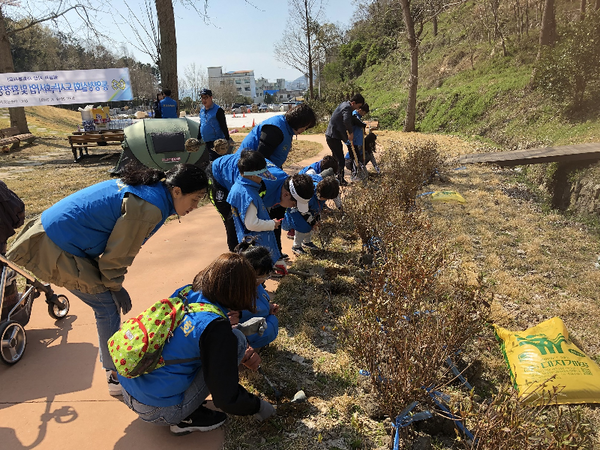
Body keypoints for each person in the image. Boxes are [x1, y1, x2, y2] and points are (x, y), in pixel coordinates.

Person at [7, 164, 209, 395]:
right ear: (176, 191)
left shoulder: (152, 189)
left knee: (107, 299)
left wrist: (113, 283)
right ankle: (115, 375)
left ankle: (114, 367)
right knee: (107, 306)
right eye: (195, 199)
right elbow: (116, 257)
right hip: (55, 246)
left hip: (58, 234)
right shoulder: (149, 208)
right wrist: (115, 286)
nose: (195, 206)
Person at [119, 253, 276, 435]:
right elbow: (225, 398)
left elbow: (187, 335)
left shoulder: (187, 292)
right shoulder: (216, 328)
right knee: (237, 341)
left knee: (230, 339)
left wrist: (238, 328)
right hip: (157, 410)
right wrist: (258, 406)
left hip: (129, 385)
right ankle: (183, 419)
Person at [210, 152, 314, 260]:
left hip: (244, 177)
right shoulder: (258, 187)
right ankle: (237, 261)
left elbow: (275, 223)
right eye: (294, 204)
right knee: (233, 220)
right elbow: (251, 224)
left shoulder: (287, 187)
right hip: (220, 176)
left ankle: (272, 256)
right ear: (286, 194)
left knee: (270, 221)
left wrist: (275, 257)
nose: (293, 207)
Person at [228, 151, 282, 265]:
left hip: (246, 242)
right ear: (253, 175)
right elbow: (251, 224)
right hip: (257, 246)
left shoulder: (237, 187)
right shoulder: (248, 195)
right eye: (261, 176)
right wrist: (272, 224)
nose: (262, 179)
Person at [230, 240, 279, 349]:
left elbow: (258, 302)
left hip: (255, 325)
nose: (263, 280)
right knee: (271, 323)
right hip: (244, 336)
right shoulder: (235, 296)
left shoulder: (254, 284)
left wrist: (269, 307)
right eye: (262, 277)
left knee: (272, 321)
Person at [239, 103, 317, 168]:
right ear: (299, 121)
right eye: (305, 127)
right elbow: (260, 159)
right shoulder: (275, 130)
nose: (304, 130)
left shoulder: (287, 128)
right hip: (246, 169)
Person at [282, 175, 340, 255]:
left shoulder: (323, 191)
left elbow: (317, 208)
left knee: (310, 226)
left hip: (309, 209)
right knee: (303, 225)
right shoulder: (309, 195)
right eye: (326, 198)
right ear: (321, 194)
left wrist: (317, 219)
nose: (326, 200)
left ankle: (307, 242)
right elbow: (303, 212)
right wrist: (313, 222)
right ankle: (296, 246)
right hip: (296, 210)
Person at [325, 93, 365, 185]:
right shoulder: (347, 108)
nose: (357, 109)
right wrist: (350, 133)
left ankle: (332, 178)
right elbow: (346, 120)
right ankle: (340, 180)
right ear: (353, 103)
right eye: (357, 106)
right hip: (333, 136)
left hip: (332, 136)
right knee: (340, 159)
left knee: (335, 158)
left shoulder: (344, 105)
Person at [197, 88, 233, 162]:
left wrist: (227, 139)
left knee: (215, 161)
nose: (204, 100)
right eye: (202, 98)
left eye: (206, 98)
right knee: (211, 160)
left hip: (217, 142)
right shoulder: (202, 111)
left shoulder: (218, 110)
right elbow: (202, 124)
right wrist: (198, 138)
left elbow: (223, 125)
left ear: (211, 98)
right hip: (207, 141)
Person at [345, 103, 370, 180]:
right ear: (360, 110)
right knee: (355, 159)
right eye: (364, 113)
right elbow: (358, 122)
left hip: (358, 142)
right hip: (353, 142)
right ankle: (354, 175)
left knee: (358, 159)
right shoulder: (354, 115)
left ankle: (359, 174)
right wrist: (363, 124)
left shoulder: (358, 116)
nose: (364, 115)